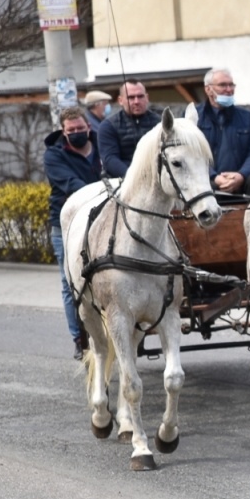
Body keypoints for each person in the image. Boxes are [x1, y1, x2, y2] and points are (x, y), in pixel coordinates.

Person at [43, 106, 96, 356]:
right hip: (67, 224)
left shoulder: (102, 148)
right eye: (71, 130)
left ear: (89, 127)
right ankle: (79, 338)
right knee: (71, 283)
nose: (76, 133)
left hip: (105, 219)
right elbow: (70, 184)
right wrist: (103, 192)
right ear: (63, 132)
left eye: (80, 128)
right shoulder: (54, 156)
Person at [192, 68, 250, 199]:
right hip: (208, 182)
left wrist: (241, 175)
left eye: (231, 85)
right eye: (223, 85)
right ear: (208, 90)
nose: (229, 89)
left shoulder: (248, 118)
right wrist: (214, 177)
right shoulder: (194, 118)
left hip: (243, 181)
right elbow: (191, 154)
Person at [96, 80, 161, 179]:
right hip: (123, 181)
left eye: (140, 96)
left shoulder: (160, 123)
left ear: (147, 98)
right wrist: (133, 177)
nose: (136, 101)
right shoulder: (108, 126)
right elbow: (109, 159)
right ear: (120, 100)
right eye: (131, 97)